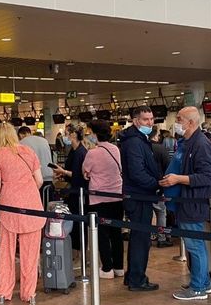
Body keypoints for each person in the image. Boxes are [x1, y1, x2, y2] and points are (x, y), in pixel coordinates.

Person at [162, 107, 211, 300]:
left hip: (194, 202)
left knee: (195, 246)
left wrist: (178, 179)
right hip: (184, 201)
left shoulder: (201, 145)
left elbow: (207, 176)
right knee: (195, 244)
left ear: (191, 123)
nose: (176, 122)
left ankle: (198, 288)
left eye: (179, 119)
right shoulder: (187, 143)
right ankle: (203, 282)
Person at [0, 122, 45, 305]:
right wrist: (26, 191)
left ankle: (4, 291)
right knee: (30, 253)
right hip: (32, 207)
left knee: (6, 251)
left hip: (9, 208)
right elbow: (40, 180)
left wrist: (0, 195)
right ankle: (29, 293)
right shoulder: (28, 151)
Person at [119, 106, 168, 292]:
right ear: (136, 120)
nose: (150, 123)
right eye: (146, 119)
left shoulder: (137, 140)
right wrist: (157, 184)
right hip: (138, 195)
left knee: (138, 237)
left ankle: (133, 275)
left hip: (139, 194)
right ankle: (137, 279)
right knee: (141, 239)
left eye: (152, 119)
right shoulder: (134, 142)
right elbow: (137, 172)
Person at [82, 120, 124, 279]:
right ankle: (119, 267)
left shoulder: (92, 153)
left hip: (99, 198)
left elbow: (85, 172)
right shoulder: (116, 149)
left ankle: (107, 268)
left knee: (102, 234)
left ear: (95, 133)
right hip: (117, 196)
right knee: (116, 233)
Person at [52, 121, 88, 255]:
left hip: (78, 191)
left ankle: (80, 251)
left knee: (78, 222)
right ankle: (75, 250)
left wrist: (64, 172)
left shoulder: (80, 152)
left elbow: (79, 174)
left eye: (66, 133)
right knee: (74, 220)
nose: (65, 136)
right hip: (73, 191)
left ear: (73, 134)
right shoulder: (74, 151)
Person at [149, 129, 173, 248]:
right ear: (155, 136)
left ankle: (146, 237)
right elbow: (168, 167)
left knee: (146, 214)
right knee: (161, 212)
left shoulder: (141, 148)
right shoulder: (161, 149)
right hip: (159, 185)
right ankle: (161, 238)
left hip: (144, 187)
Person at [18, 126, 54, 196]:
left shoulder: (21, 143)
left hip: (33, 179)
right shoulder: (44, 141)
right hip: (48, 177)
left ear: (21, 135)